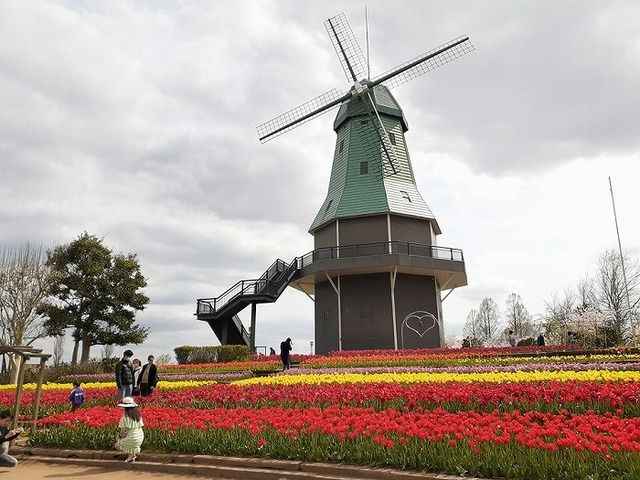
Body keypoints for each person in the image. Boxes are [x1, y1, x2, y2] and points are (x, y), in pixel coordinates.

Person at [114, 397, 144, 463]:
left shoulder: (124, 418)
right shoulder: (138, 416)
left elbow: (122, 432)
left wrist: (118, 437)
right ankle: (132, 455)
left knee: (117, 444)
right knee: (130, 439)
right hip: (140, 436)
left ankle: (131, 456)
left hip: (132, 438)